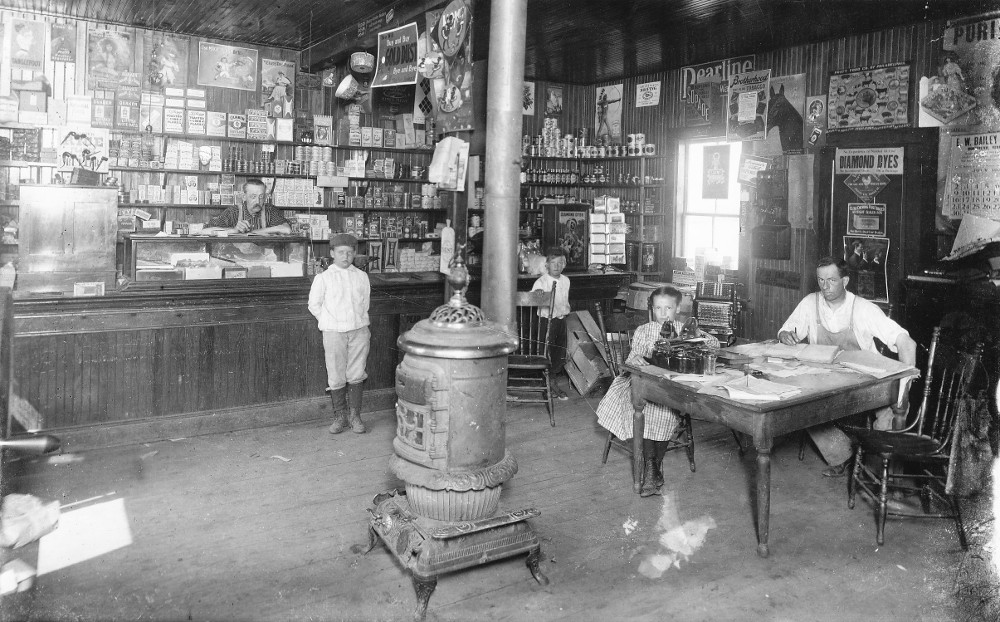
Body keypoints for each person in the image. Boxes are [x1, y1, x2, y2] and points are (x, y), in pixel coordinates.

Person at [777, 257, 916, 476]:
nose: (825, 286)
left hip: (864, 381)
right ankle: (843, 455)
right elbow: (786, 331)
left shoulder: (862, 308)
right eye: (821, 280)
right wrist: (785, 335)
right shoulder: (810, 303)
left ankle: (881, 472)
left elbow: (906, 342)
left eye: (831, 280)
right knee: (801, 407)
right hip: (825, 380)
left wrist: (905, 384)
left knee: (890, 412)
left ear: (845, 281)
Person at [596, 286, 719, 497]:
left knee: (663, 408)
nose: (663, 313)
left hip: (672, 390)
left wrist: (695, 335)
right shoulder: (645, 330)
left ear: (678, 308)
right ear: (652, 309)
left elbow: (714, 345)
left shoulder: (684, 329)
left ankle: (652, 465)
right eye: (658, 308)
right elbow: (634, 358)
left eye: (668, 308)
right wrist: (636, 358)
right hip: (639, 385)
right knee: (645, 406)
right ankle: (652, 467)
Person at [308, 234, 371, 434]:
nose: (346, 256)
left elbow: (365, 304)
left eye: (350, 253)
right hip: (333, 332)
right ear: (332, 253)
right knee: (335, 373)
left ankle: (355, 417)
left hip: (359, 330)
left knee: (356, 372)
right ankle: (339, 416)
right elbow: (314, 305)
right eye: (341, 252)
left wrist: (357, 322)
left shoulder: (361, 276)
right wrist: (329, 321)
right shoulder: (323, 278)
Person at [531, 247, 571, 400]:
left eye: (560, 263)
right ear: (546, 265)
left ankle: (552, 381)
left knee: (559, 352)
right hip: (546, 322)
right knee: (546, 351)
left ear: (564, 265)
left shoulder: (566, 280)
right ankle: (548, 383)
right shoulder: (541, 281)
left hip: (561, 320)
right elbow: (534, 297)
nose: (556, 266)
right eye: (553, 263)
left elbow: (563, 301)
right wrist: (538, 294)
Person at [204, 179, 291, 235]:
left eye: (261, 197)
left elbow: (286, 229)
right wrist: (234, 230)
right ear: (244, 196)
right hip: (236, 259)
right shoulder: (233, 212)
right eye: (253, 196)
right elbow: (205, 231)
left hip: (264, 259)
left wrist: (254, 232)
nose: (258, 201)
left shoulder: (270, 211)